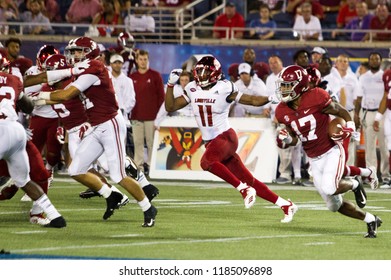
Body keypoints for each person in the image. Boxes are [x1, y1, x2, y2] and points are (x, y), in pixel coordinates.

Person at [32, 36, 158, 227]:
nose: (73, 55)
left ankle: (148, 207)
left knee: (117, 175)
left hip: (110, 123)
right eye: (72, 52)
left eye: (77, 51)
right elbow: (60, 87)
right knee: (75, 169)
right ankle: (111, 194)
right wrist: (38, 98)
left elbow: (66, 94)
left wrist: (39, 97)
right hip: (96, 126)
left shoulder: (94, 68)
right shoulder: (82, 70)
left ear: (87, 52)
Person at [164, 55, 298, 223]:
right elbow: (170, 106)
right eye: (199, 72)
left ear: (214, 73)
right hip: (212, 143)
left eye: (205, 72)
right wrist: (170, 85)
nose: (201, 76)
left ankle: (243, 190)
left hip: (226, 137)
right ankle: (285, 205)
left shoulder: (225, 87)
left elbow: (250, 100)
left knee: (206, 163)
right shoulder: (192, 88)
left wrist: (271, 98)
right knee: (250, 180)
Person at [273, 64, 382, 238]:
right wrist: (286, 139)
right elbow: (293, 138)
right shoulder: (281, 110)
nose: (283, 89)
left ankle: (355, 183)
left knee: (330, 187)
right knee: (334, 206)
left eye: (288, 85)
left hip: (332, 150)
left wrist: (351, 127)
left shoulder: (316, 96)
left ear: (299, 85)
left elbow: (341, 111)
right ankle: (371, 220)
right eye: (283, 85)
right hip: (313, 159)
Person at [0, 52, 66, 228]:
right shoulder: (14, 80)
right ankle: (55, 216)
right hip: (16, 131)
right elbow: (28, 106)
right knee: (24, 180)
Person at [355, 52, 390, 185]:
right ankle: (371, 175)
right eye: (372, 59)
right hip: (368, 112)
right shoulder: (363, 77)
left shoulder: (385, 76)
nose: (374, 61)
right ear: (368, 61)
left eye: (377, 59)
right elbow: (359, 98)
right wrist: (356, 114)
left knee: (384, 146)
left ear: (381, 61)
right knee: (369, 147)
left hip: (383, 113)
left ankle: (386, 175)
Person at [129, 49, 165, 176]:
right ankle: (138, 168)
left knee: (151, 143)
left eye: (145, 59)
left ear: (148, 60)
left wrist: (159, 118)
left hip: (152, 117)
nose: (143, 62)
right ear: (136, 61)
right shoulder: (131, 77)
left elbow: (162, 97)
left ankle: (151, 166)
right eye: (141, 59)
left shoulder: (155, 76)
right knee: (137, 143)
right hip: (136, 116)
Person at [374, 60, 391, 188]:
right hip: (390, 113)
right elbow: (386, 96)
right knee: (389, 146)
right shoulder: (387, 74)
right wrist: (378, 117)